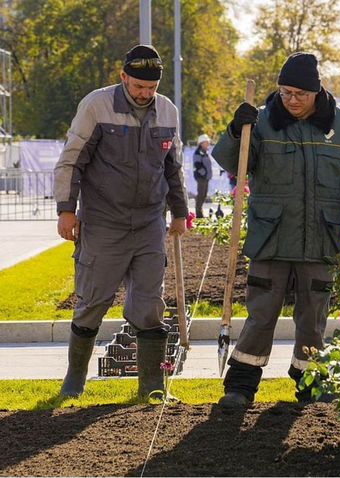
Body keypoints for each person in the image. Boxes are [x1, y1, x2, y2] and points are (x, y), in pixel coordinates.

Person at [211, 52, 340, 411]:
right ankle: (240, 386)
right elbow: (232, 163)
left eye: (299, 94)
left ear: (316, 91)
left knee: (313, 319)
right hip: (270, 238)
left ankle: (311, 385)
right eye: (285, 92)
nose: (291, 100)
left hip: (321, 239)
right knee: (261, 315)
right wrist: (234, 131)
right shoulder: (260, 122)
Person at [53, 44, 188, 399]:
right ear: (123, 77)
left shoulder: (167, 111)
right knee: (93, 302)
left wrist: (179, 212)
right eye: (138, 86)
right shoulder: (97, 106)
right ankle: (74, 380)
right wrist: (66, 209)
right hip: (103, 222)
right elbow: (72, 160)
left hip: (148, 223)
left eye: (151, 88)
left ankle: (152, 387)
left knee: (149, 305)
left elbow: (174, 167)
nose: (145, 94)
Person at [193, 133, 213, 218]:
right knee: (201, 194)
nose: (208, 144)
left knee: (204, 195)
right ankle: (198, 213)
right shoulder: (198, 152)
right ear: (201, 143)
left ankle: (200, 212)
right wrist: (204, 173)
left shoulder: (205, 152)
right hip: (201, 178)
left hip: (205, 177)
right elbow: (197, 165)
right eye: (206, 142)